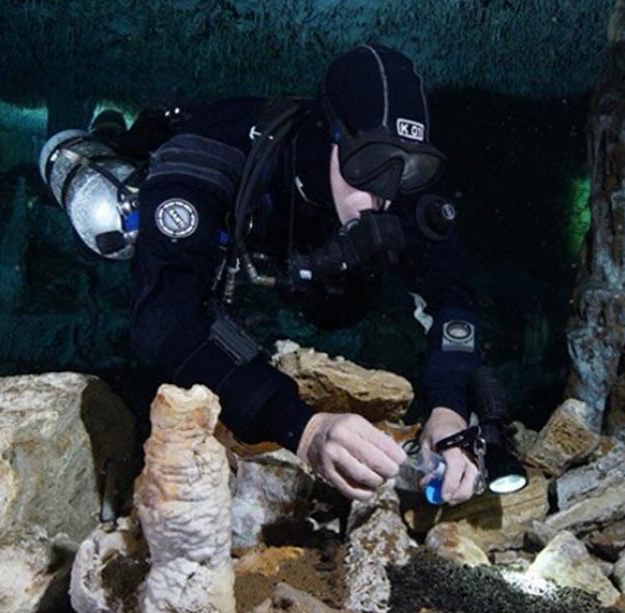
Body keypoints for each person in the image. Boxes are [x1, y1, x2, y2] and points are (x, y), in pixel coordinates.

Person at [122, 44, 482, 504]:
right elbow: (163, 320)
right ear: (327, 135)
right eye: (368, 164)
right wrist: (303, 426)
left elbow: (453, 300)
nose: (383, 197)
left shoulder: (395, 187)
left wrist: (449, 409)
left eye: (410, 168)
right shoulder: (221, 147)